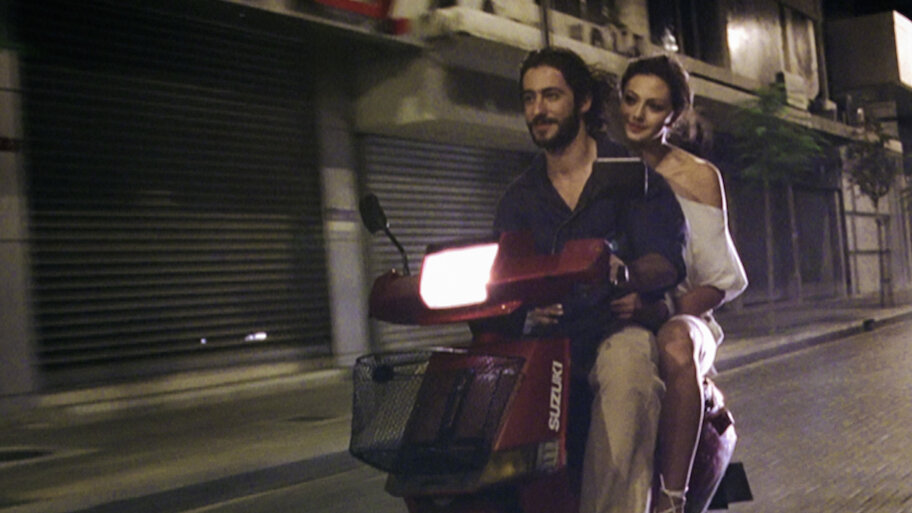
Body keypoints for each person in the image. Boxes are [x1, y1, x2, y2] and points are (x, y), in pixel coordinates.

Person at [492, 46, 686, 513]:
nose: (538, 109)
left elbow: (667, 258)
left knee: (630, 372)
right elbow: (501, 277)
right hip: (545, 342)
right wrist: (523, 308)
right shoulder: (518, 197)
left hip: (612, 330)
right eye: (529, 98)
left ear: (582, 102)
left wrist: (626, 271)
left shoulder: (629, 177)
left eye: (551, 95)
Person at [615, 54, 748, 513]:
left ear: (672, 116)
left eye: (653, 106)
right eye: (630, 99)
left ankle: (672, 500)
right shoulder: (601, 166)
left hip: (685, 319)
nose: (637, 114)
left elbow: (721, 279)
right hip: (614, 314)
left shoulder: (699, 176)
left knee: (673, 343)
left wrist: (666, 309)